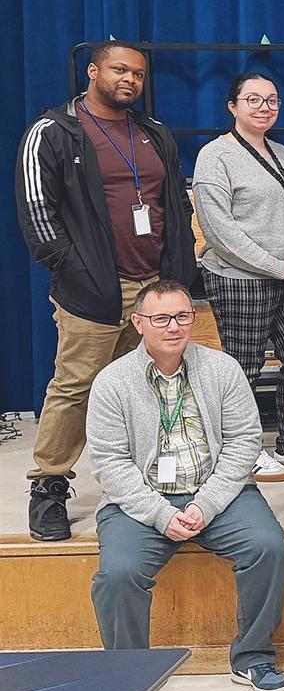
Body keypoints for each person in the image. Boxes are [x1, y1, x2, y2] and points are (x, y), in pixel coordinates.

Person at [17, 39, 194, 542]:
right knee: (75, 388)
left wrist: (177, 274)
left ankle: (154, 480)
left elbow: (175, 204)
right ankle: (49, 487)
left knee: (155, 386)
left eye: (137, 74)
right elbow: (37, 212)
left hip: (154, 289)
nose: (129, 81)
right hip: (93, 287)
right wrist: (74, 271)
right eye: (119, 70)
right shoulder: (53, 131)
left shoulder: (155, 133)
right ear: (93, 71)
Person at [86, 280, 284, 691]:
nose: (174, 327)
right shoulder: (112, 381)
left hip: (217, 493)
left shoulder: (222, 368)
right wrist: (161, 514)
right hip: (141, 502)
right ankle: (129, 672)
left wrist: (208, 503)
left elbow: (243, 440)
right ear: (138, 323)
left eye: (182, 316)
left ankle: (253, 658)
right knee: (118, 575)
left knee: (268, 548)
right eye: (161, 318)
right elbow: (109, 462)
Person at [193, 73, 284, 483]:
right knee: (244, 367)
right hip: (240, 277)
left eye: (272, 99)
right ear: (232, 107)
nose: (264, 107)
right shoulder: (215, 156)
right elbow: (220, 231)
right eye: (253, 99)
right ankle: (244, 451)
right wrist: (279, 266)